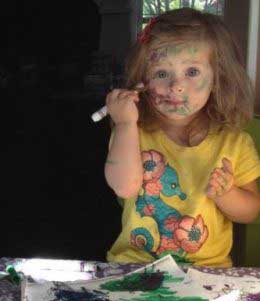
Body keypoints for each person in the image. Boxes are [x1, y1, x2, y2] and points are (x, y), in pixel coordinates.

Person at [104, 8, 260, 267]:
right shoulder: (131, 132)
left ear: (217, 78)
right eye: (162, 74)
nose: (176, 86)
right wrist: (124, 123)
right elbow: (125, 188)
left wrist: (227, 194)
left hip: (208, 271)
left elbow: (251, 212)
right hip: (135, 265)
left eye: (192, 72)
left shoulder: (234, 142)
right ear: (143, 83)